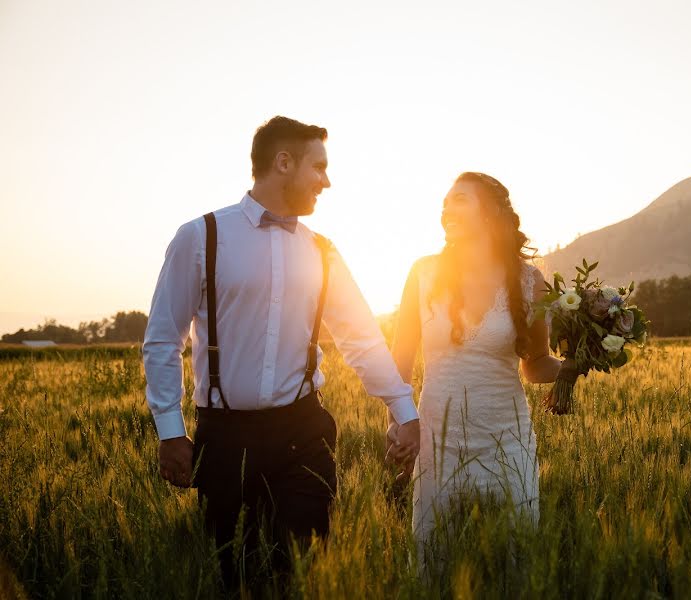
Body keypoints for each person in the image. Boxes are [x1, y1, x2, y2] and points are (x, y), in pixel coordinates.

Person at [142, 116, 420, 589]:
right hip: (225, 438)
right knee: (233, 573)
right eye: (319, 167)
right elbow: (163, 339)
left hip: (303, 430)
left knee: (305, 571)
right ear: (283, 162)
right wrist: (171, 431)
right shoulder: (201, 237)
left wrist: (404, 409)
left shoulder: (323, 251)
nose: (327, 182)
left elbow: (361, 336)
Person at [388, 172, 561, 568]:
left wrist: (576, 366)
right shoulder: (423, 273)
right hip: (437, 440)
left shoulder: (530, 280)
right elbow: (400, 359)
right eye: (445, 202)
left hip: (507, 440)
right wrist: (398, 419)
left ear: (489, 212)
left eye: (460, 200)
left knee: (517, 563)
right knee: (431, 561)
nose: (446, 208)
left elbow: (535, 365)